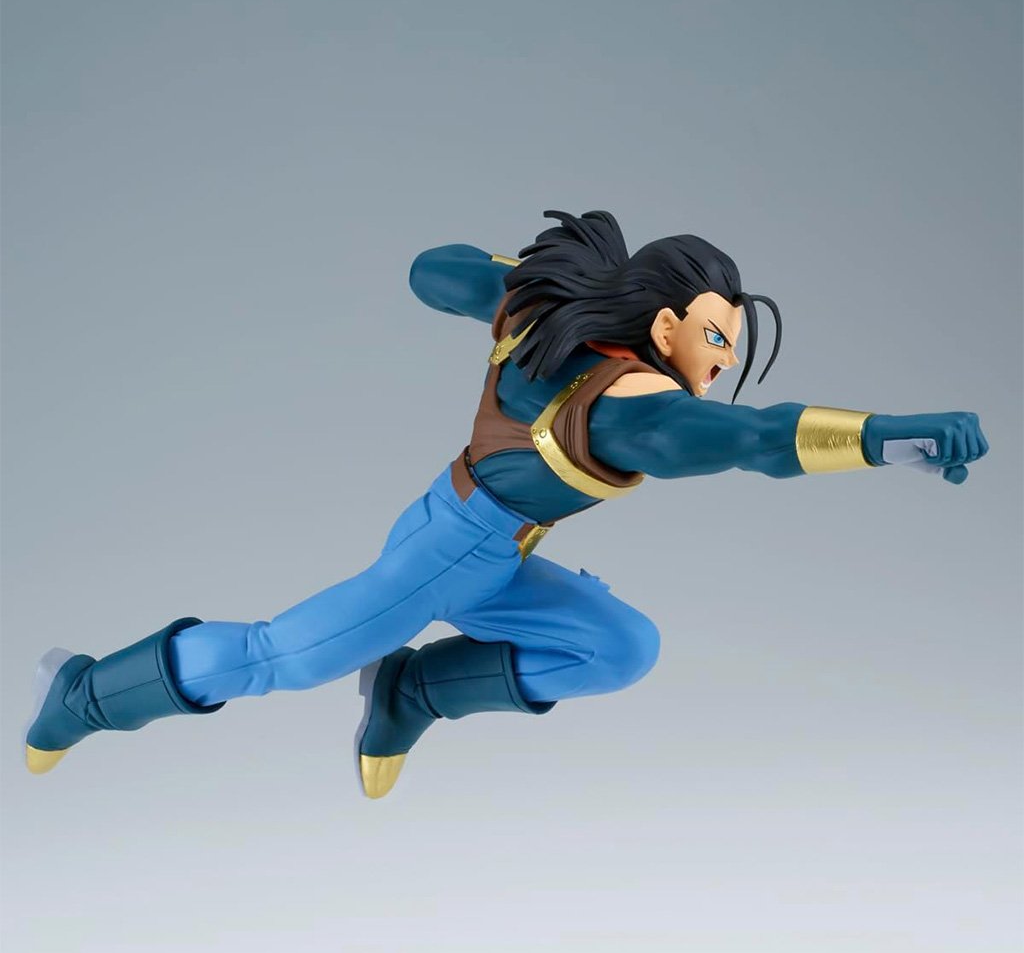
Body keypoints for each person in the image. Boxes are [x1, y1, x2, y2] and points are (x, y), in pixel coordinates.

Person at [24, 209, 989, 799]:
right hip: (445, 550)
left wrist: (525, 285)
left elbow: (431, 272)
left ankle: (414, 690)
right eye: (715, 339)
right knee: (286, 657)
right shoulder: (631, 409)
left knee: (619, 647)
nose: (722, 361)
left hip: (494, 553)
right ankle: (85, 691)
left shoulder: (543, 324)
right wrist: (886, 433)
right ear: (664, 323)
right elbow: (758, 439)